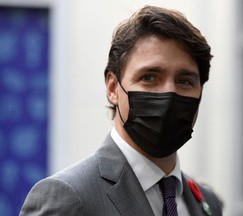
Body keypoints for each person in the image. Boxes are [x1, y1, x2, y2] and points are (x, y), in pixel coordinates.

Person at [20, 5, 223, 216]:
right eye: (149, 77)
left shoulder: (206, 203)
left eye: (184, 81)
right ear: (113, 87)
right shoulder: (68, 197)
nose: (169, 93)